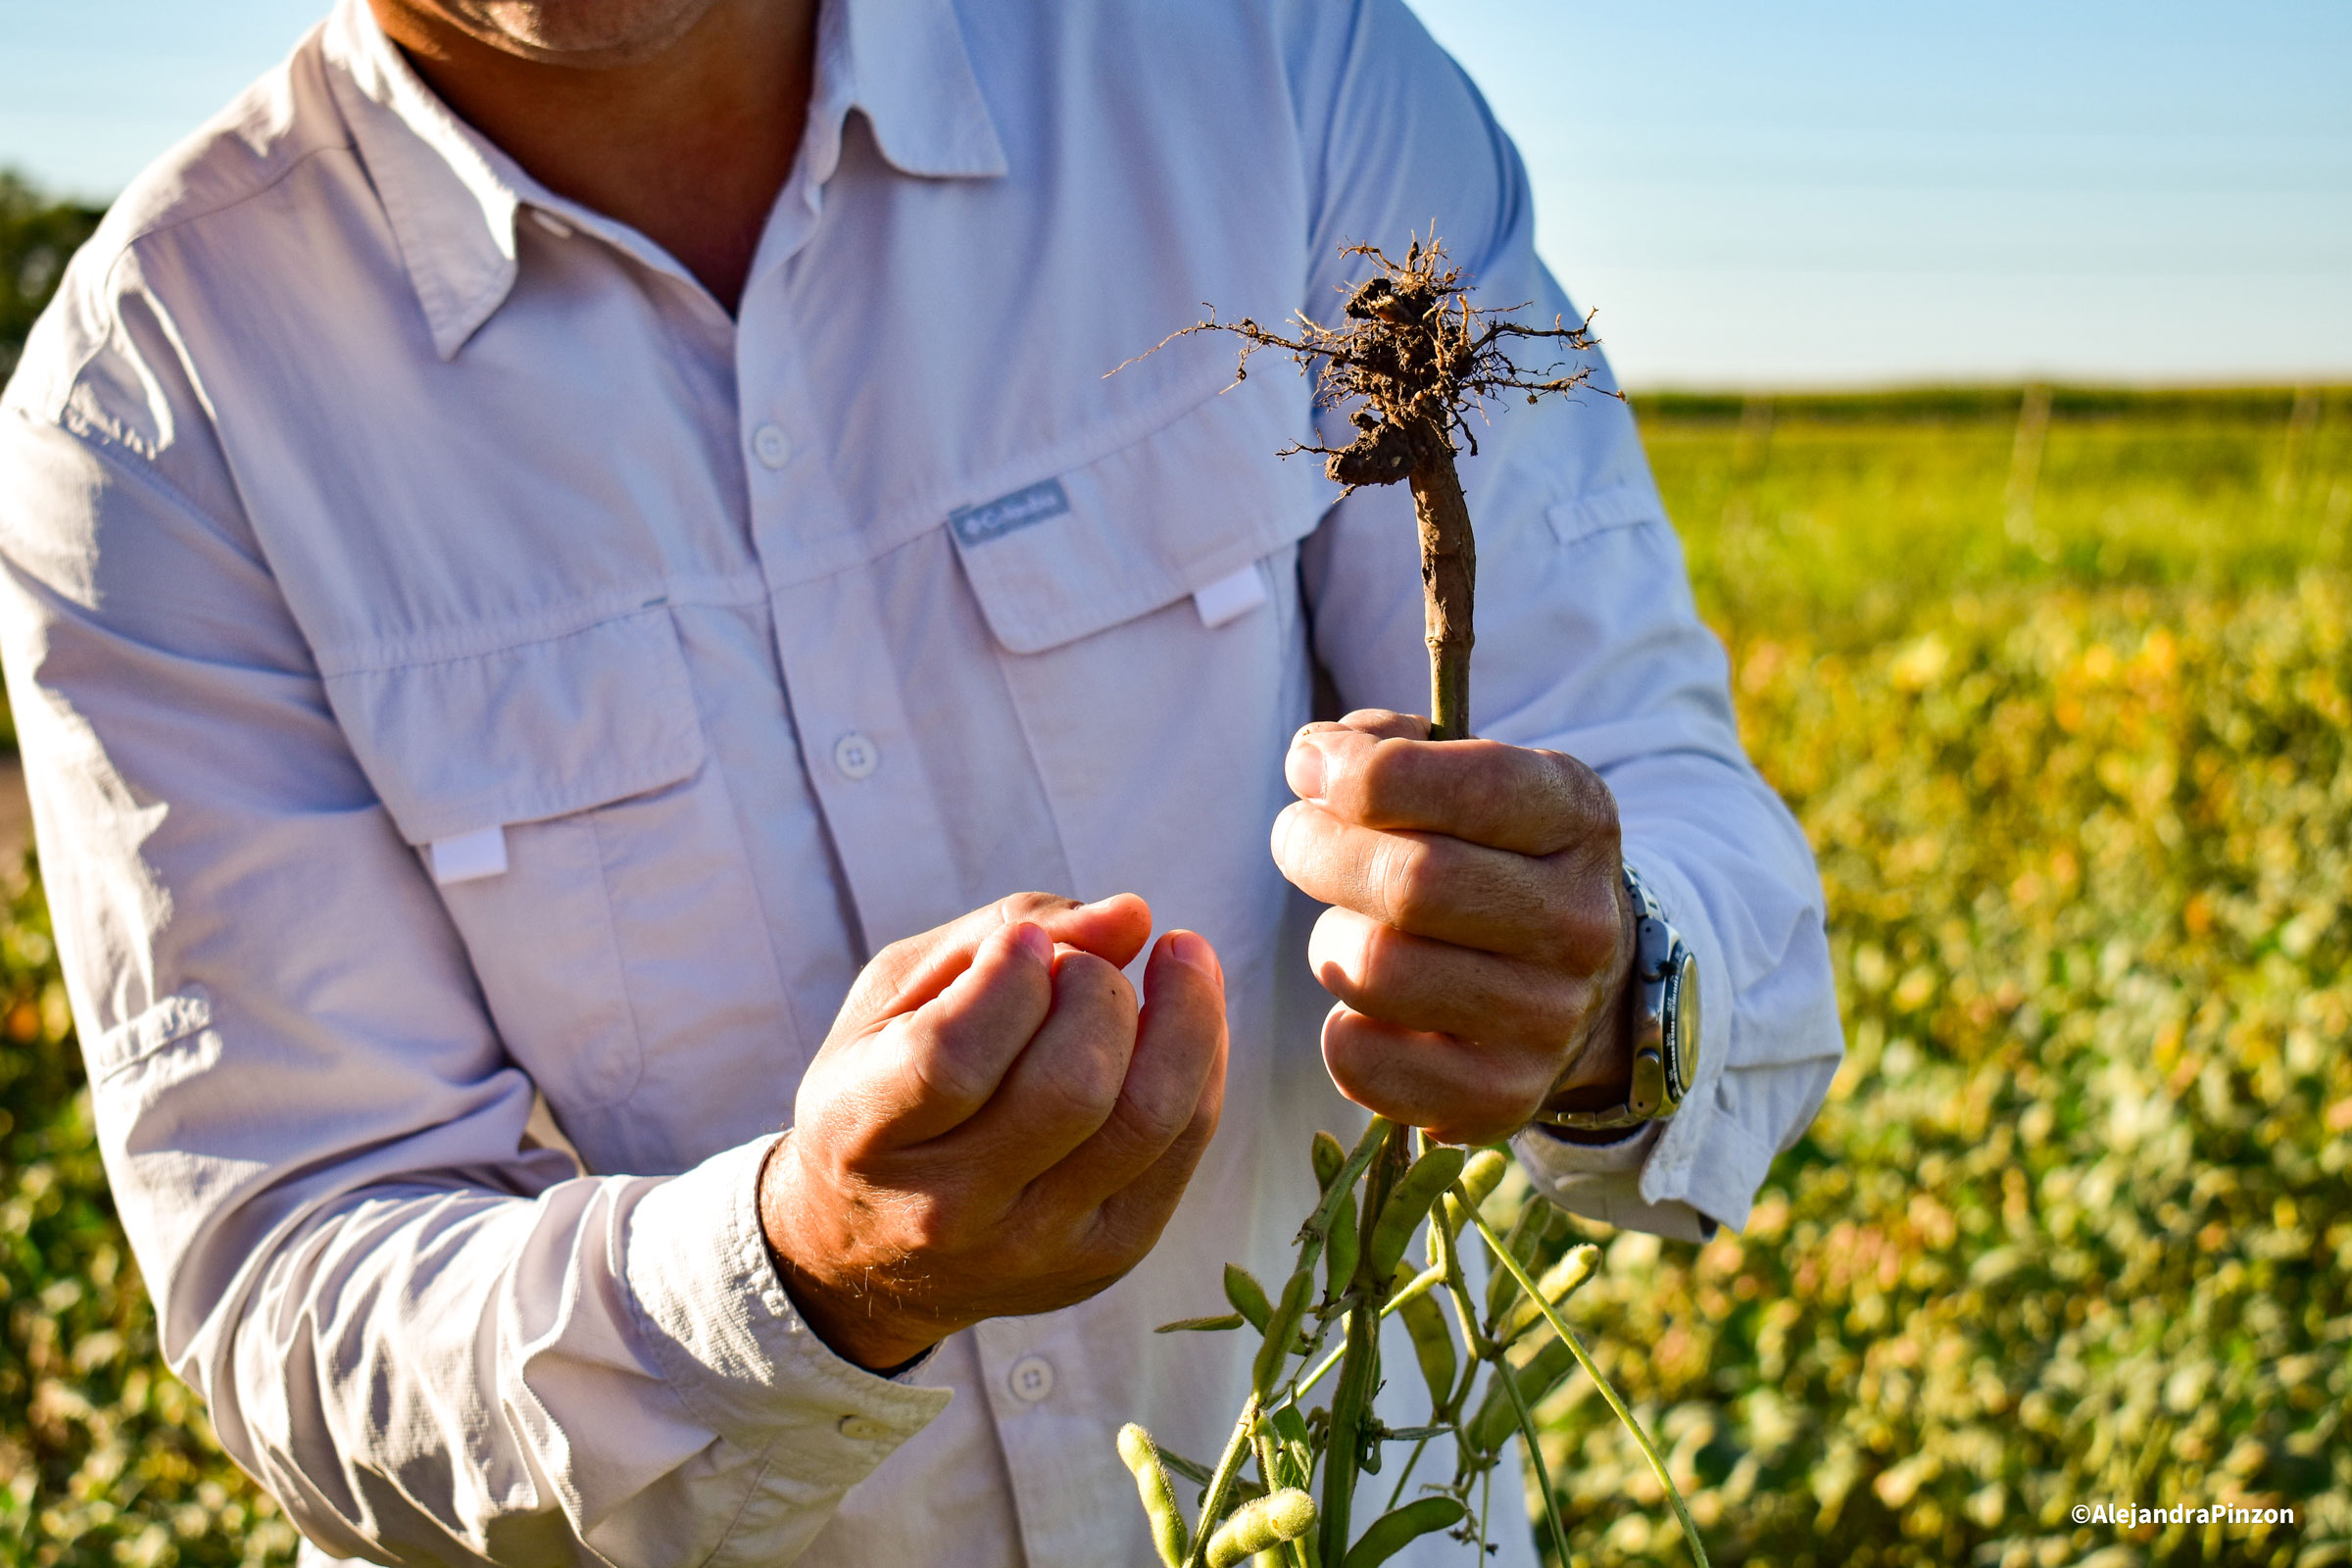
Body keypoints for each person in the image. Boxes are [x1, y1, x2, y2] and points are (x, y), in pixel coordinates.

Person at [0, 0, 1842, 1563]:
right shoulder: (156, 401)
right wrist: (800, 1274)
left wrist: (1607, 983)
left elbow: (1663, 806)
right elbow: (302, 1290)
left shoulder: (1262, 60)